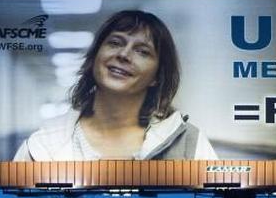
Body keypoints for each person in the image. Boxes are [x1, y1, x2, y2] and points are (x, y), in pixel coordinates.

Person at [14, 9, 217, 160]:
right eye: (115, 42)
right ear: (94, 58)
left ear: (157, 76)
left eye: (142, 51)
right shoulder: (42, 146)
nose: (123, 54)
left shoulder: (190, 145)